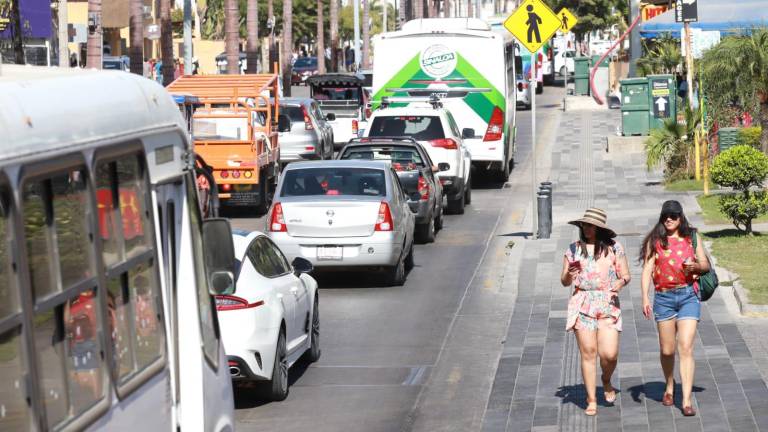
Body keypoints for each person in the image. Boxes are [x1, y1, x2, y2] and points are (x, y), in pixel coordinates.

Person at [639, 200, 709, 417]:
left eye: (673, 216)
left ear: (681, 217)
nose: (669, 219)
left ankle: (686, 400)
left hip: (688, 295)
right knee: (667, 350)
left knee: (685, 346)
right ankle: (670, 384)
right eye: (665, 216)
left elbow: (705, 265)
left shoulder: (693, 237)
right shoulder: (656, 240)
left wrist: (696, 266)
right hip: (664, 298)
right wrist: (645, 298)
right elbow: (647, 269)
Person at [561, 208, 630, 416]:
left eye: (590, 225)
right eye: (584, 225)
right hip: (583, 302)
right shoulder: (573, 249)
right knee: (588, 352)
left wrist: (620, 282)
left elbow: (626, 275)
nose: (586, 228)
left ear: (599, 228)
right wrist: (568, 274)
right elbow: (565, 282)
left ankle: (606, 380)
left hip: (607, 302)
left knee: (609, 354)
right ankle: (591, 399)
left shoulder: (614, 248)